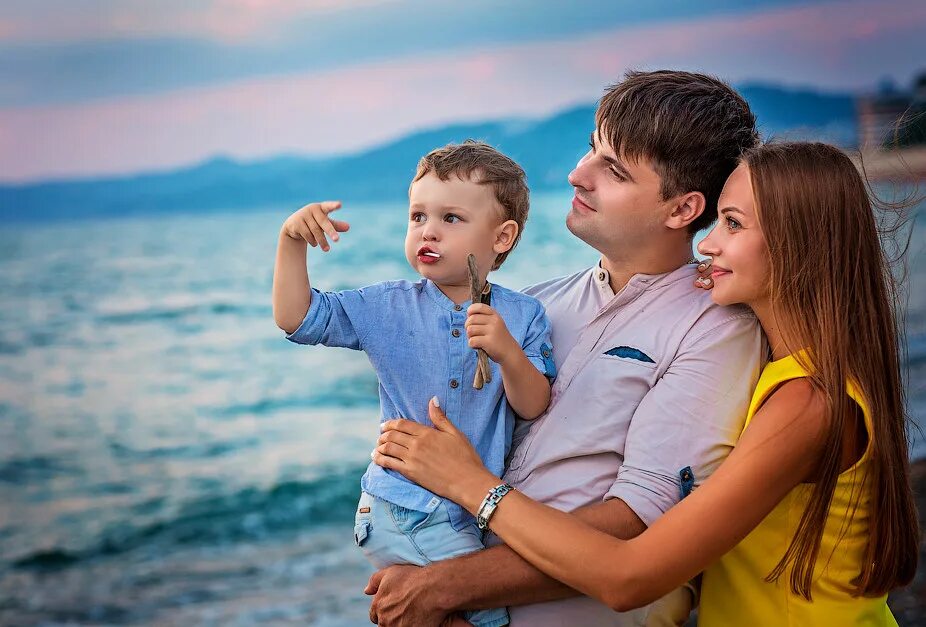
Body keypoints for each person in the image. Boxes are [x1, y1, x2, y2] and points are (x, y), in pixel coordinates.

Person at [374, 141, 920, 626]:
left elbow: (630, 577)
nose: (706, 246)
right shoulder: (787, 375)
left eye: (731, 224)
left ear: (797, 247)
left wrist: (470, 486)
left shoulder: (808, 403)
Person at [365, 70, 764, 626]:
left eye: (615, 170)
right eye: (591, 150)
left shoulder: (715, 326)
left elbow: (639, 521)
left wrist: (444, 585)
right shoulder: (532, 306)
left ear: (681, 210)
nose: (580, 174)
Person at [272, 140, 556, 627]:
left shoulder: (523, 315)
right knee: (492, 617)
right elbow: (297, 319)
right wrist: (290, 242)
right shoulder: (386, 306)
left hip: (467, 509)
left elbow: (532, 405)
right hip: (405, 506)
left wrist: (507, 351)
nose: (428, 230)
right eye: (418, 216)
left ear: (502, 237)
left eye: (451, 219)